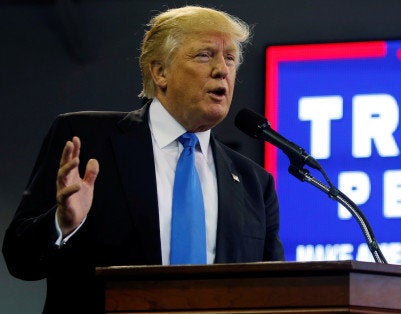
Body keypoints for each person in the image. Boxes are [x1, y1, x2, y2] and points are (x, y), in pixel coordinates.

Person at [2, 6, 284, 313]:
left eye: (229, 58)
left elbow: (271, 293)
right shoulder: (86, 139)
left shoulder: (255, 183)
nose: (222, 70)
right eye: (204, 55)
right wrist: (62, 224)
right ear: (160, 71)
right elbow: (20, 260)